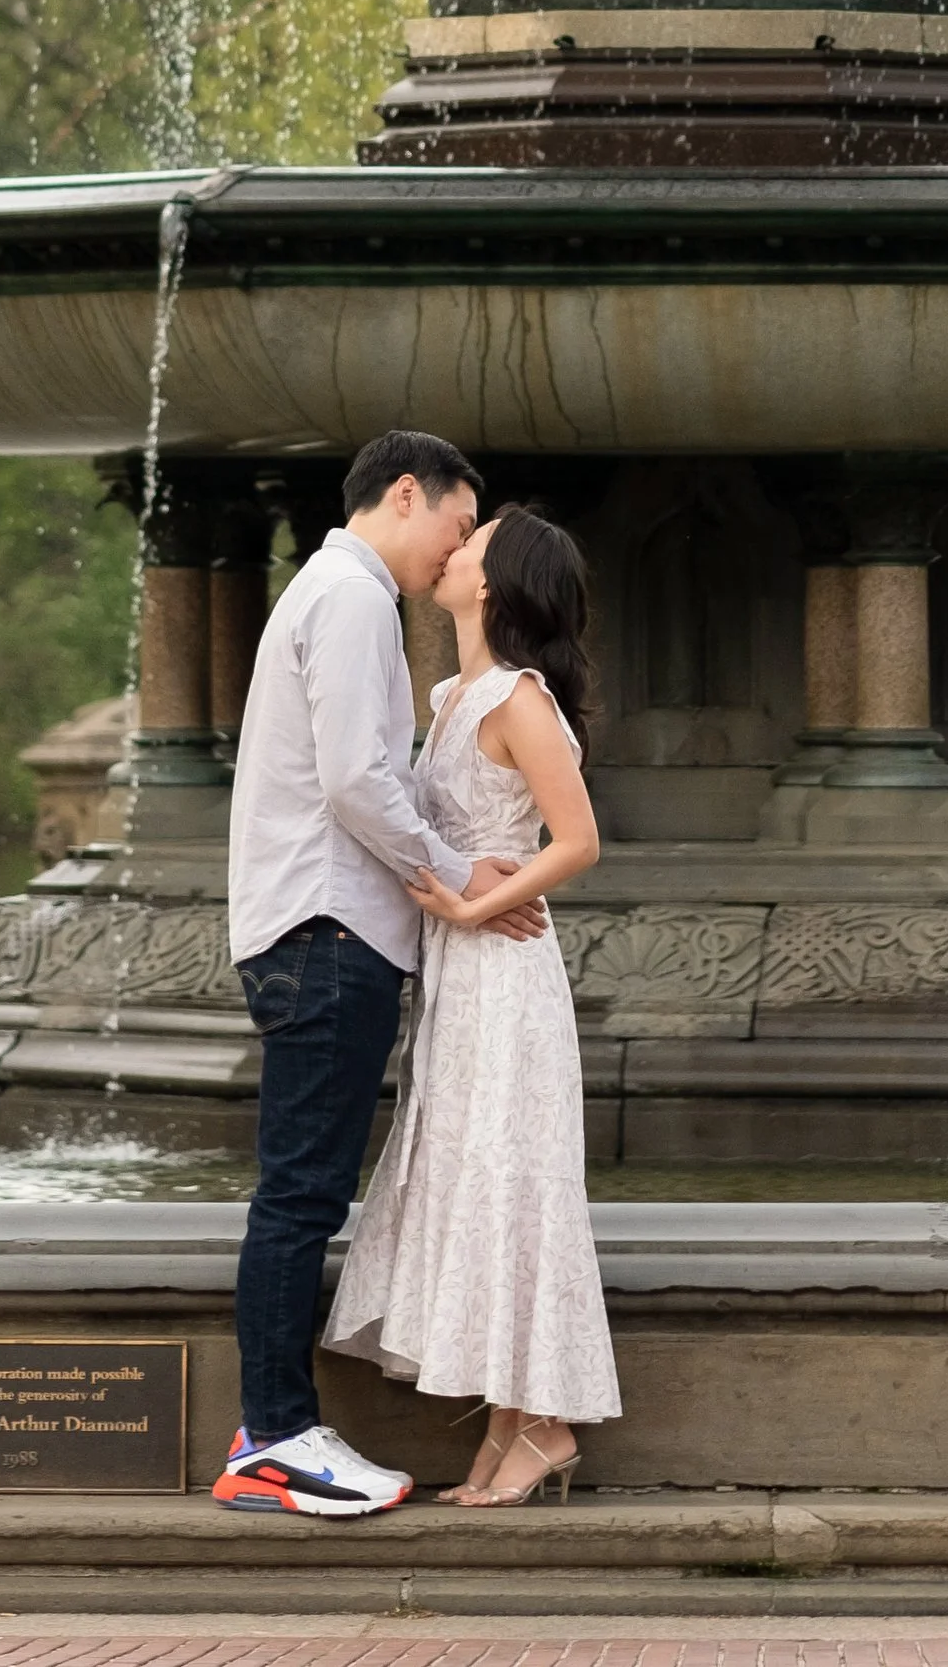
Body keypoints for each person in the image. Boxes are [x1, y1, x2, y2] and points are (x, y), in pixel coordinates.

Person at [217, 430, 546, 1522]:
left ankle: (274, 1429)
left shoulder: (324, 591)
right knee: (301, 1193)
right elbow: (360, 780)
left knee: (298, 1189)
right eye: (455, 525)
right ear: (406, 494)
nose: (454, 552)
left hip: (312, 931)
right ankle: (272, 1437)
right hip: (327, 933)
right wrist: (462, 881)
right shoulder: (352, 597)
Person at [327, 504, 618, 1505]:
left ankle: (541, 1422)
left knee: (509, 1181)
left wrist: (473, 901)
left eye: (473, 545)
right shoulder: (453, 692)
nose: (451, 550)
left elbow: (575, 841)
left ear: (493, 584)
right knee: (475, 1180)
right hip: (460, 971)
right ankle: (514, 1427)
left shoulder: (519, 700)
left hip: (506, 975)